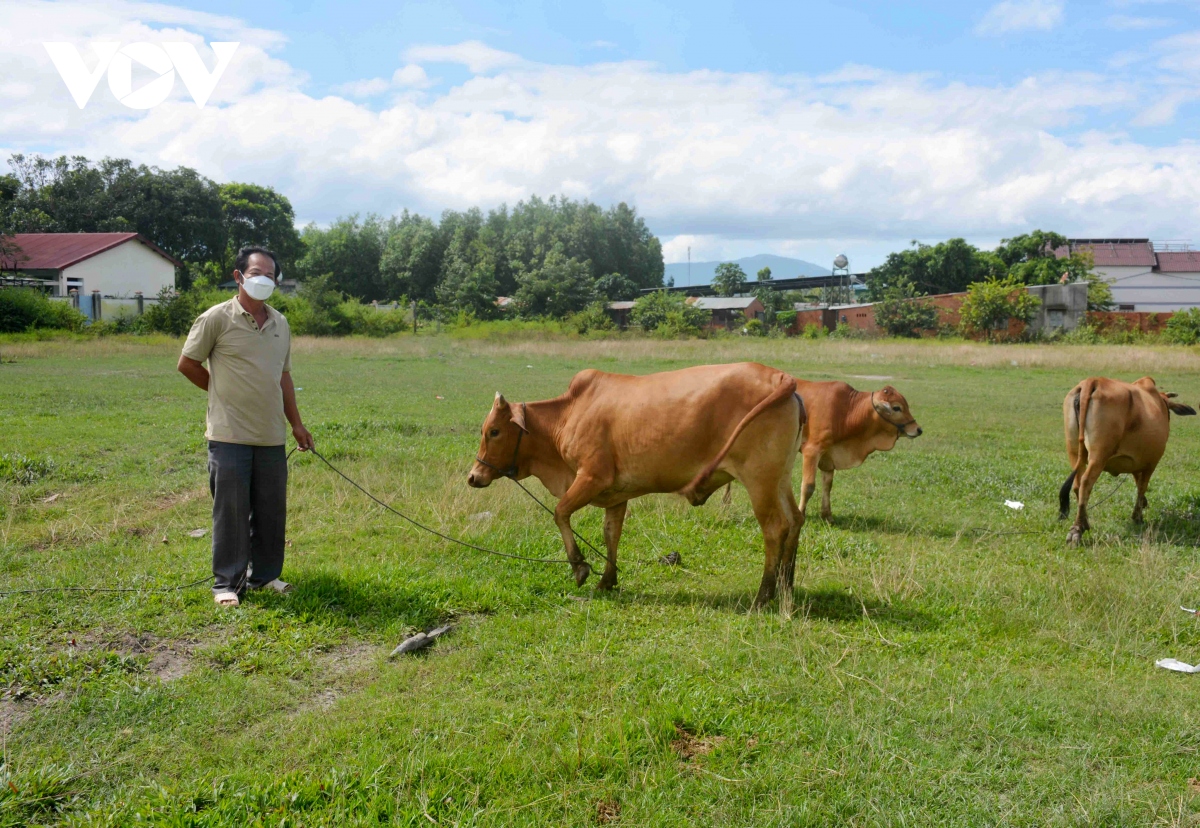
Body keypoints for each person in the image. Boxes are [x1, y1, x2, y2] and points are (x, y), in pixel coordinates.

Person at [177, 246, 314, 607]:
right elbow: (187, 363)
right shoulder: (216, 319)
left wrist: (297, 425)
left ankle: (265, 576)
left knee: (271, 509)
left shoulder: (280, 323)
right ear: (239, 276)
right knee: (232, 511)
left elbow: (283, 376)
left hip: (270, 434)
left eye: (271, 275)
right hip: (228, 435)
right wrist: (219, 390)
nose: (264, 280)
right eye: (256, 273)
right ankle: (226, 584)